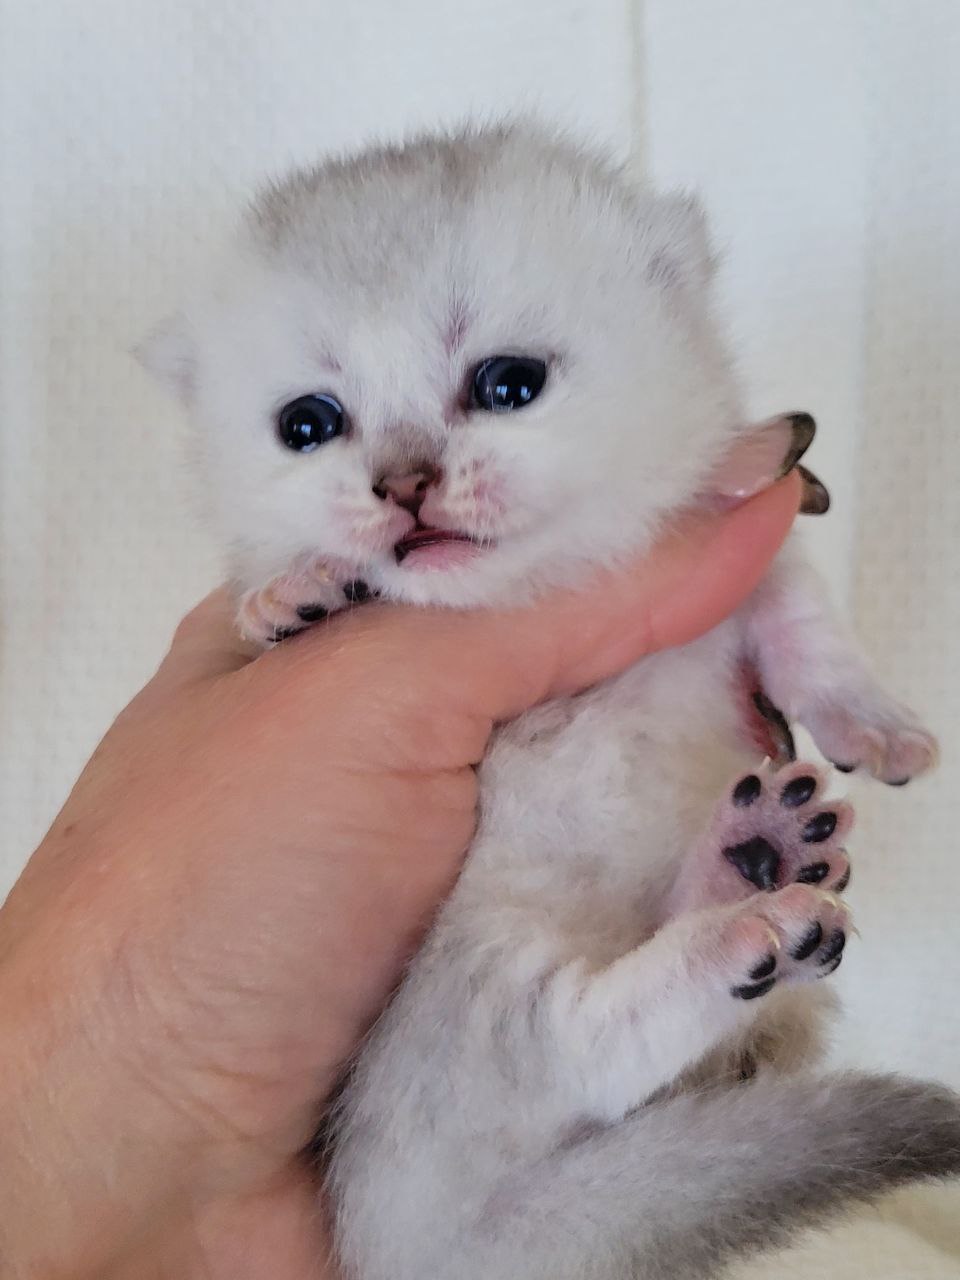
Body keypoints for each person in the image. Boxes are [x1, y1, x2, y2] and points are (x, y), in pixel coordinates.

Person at [0, 476, 799, 1278]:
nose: (409, 482)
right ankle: (651, 1008)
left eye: (507, 388)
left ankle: (689, 990)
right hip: (447, 1153)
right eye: (313, 428)